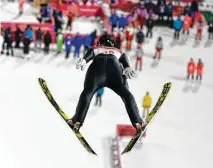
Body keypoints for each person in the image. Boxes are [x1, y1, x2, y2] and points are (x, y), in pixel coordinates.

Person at [66, 34, 144, 132]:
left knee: (87, 94)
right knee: (127, 95)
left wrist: (85, 60)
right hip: (114, 70)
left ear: (100, 42)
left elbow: (91, 52)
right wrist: (127, 67)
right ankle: (138, 122)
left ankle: (76, 121)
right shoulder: (117, 50)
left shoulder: (97, 47)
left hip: (97, 70)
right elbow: (123, 58)